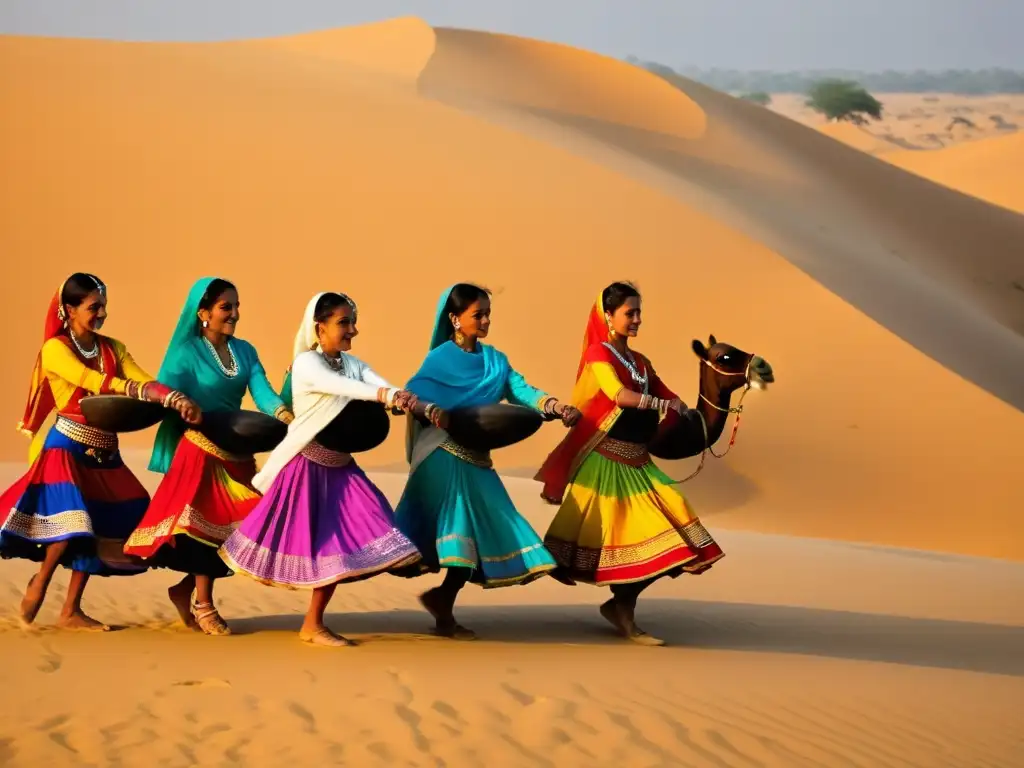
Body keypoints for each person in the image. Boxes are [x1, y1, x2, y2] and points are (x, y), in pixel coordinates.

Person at [219, 291, 424, 647]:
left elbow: (375, 381)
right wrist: (386, 398)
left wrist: (400, 395)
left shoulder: (351, 362)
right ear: (319, 328)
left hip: (341, 469)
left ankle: (313, 624)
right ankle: (203, 595)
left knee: (362, 531)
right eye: (343, 323)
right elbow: (344, 388)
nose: (352, 330)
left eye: (352, 322)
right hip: (306, 470)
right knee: (321, 545)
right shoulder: (306, 365)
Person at [0, 273, 198, 631]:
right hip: (66, 448)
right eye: (93, 307)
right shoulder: (55, 349)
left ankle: (70, 610)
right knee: (71, 523)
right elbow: (90, 381)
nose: (102, 314)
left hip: (105, 452)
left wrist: (170, 396)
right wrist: (134, 388)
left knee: (116, 520)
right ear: (69, 310)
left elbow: (144, 379)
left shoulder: (113, 348)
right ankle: (40, 580)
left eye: (103, 306)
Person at [536, 282, 725, 646]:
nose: (637, 319)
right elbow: (618, 395)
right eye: (630, 313)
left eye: (639, 312)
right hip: (606, 464)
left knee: (682, 528)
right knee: (645, 537)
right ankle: (623, 609)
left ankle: (620, 605)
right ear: (609, 315)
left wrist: (683, 406)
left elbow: (663, 389)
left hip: (639, 462)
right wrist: (660, 405)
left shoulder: (640, 361)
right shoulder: (598, 354)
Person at [393, 283, 581, 640]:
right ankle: (442, 608)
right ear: (454, 319)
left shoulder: (497, 361)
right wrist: (428, 410)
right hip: (443, 454)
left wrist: (554, 406)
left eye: (488, 314)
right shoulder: (439, 360)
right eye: (478, 314)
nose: (486, 321)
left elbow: (522, 391)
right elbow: (413, 395)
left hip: (477, 457)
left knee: (487, 527)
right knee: (466, 529)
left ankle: (442, 599)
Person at [124, 277, 293, 636]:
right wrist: (180, 402)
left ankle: (184, 590)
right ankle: (204, 604)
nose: (234, 314)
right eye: (225, 307)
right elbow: (164, 391)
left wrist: (283, 415)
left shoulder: (245, 351)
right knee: (203, 530)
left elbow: (262, 392)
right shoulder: (187, 353)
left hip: (237, 453)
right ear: (203, 313)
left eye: (236, 307)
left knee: (242, 530)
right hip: (200, 452)